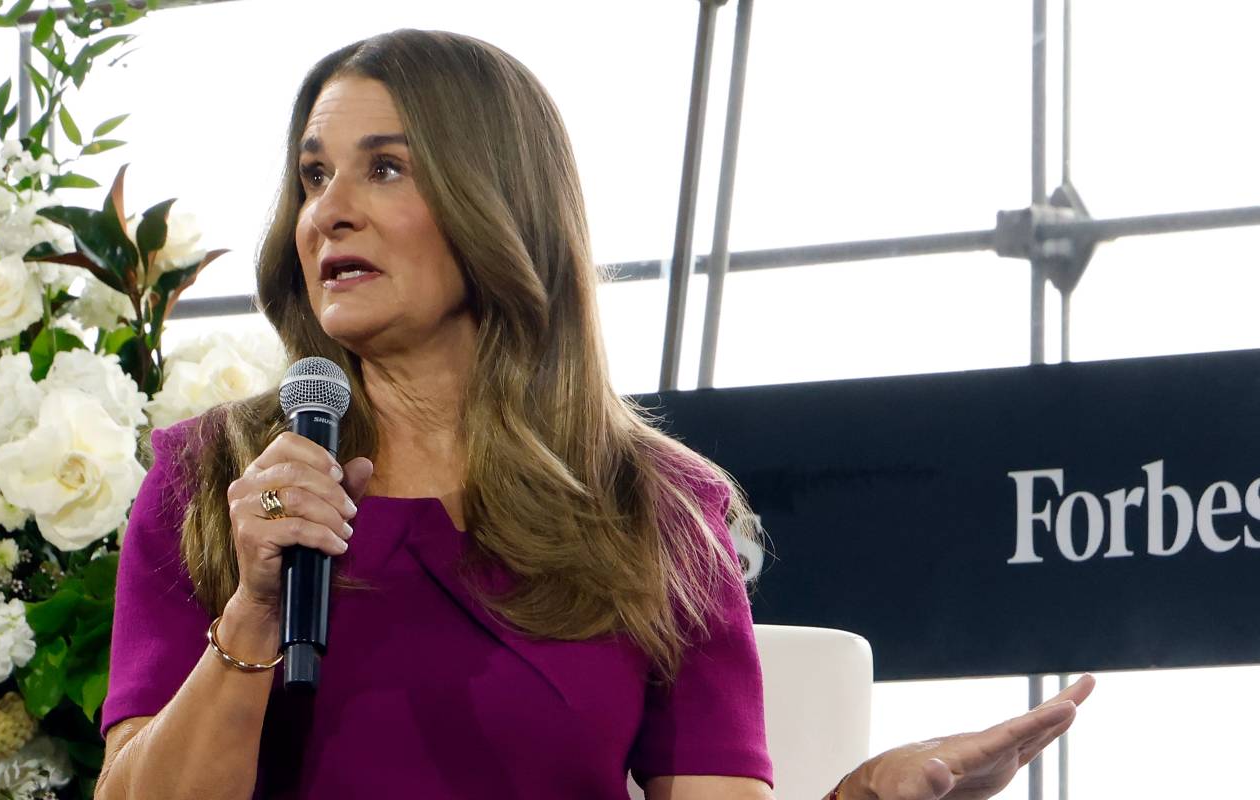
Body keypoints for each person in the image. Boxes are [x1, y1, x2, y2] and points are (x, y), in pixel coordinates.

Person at [94, 28, 1093, 800]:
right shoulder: (212, 476)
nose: (328, 210)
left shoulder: (654, 512)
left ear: (497, 203)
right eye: (315, 174)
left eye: (385, 167)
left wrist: (862, 791)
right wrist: (256, 609)